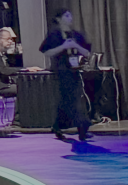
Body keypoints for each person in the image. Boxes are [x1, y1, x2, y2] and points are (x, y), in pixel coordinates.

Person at [39, 9, 92, 141]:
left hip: (74, 70)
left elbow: (87, 53)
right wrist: (63, 47)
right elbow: (46, 52)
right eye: (66, 15)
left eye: (70, 15)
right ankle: (82, 126)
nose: (70, 18)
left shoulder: (76, 35)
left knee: (70, 100)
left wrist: (75, 46)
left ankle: (58, 126)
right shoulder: (55, 34)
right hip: (61, 71)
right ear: (58, 19)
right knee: (70, 100)